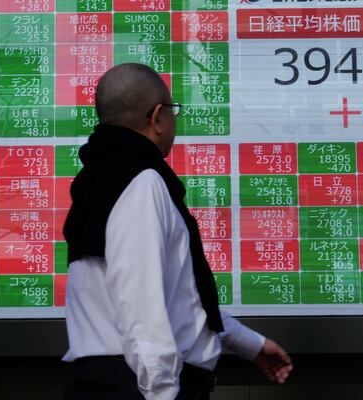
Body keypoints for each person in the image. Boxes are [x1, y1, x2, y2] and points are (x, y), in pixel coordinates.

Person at [62, 63, 293, 400]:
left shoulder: (99, 180)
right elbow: (141, 308)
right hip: (137, 387)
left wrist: (247, 343)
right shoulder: (142, 182)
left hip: (110, 381)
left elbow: (179, 295)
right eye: (173, 111)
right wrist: (163, 392)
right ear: (157, 117)